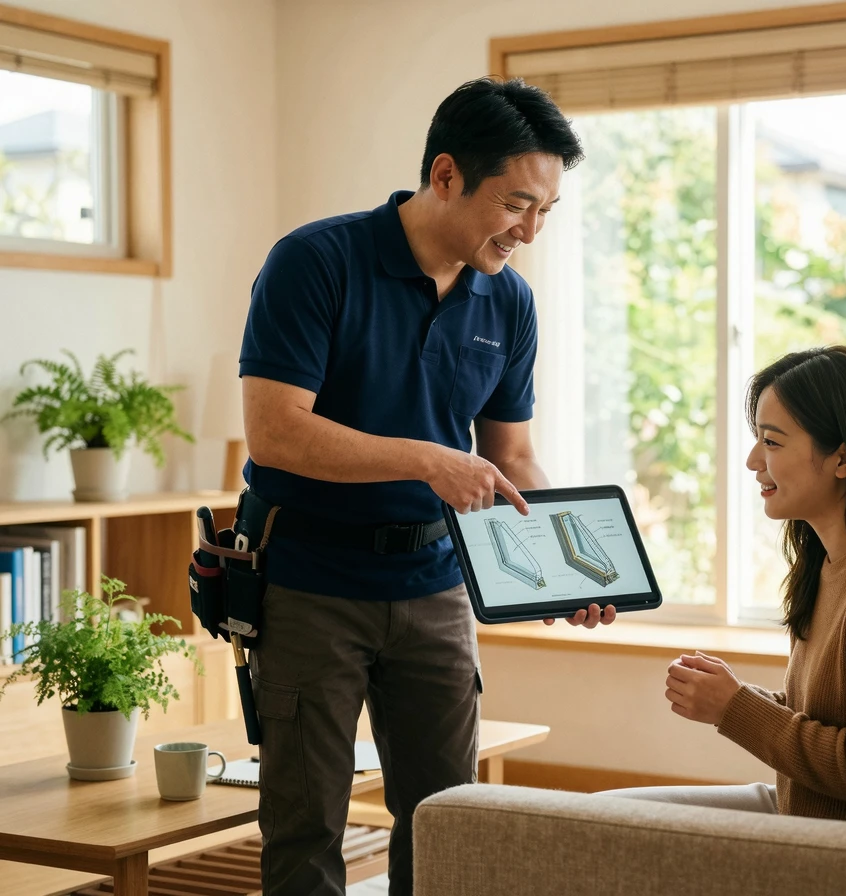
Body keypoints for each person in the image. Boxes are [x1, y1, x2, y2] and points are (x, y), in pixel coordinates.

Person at [237, 77, 614, 896]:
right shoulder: (316, 262)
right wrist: (426, 459)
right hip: (310, 585)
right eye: (517, 205)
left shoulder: (509, 301)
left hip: (437, 585)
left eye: (546, 211)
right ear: (446, 175)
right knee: (305, 828)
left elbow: (511, 456)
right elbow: (276, 431)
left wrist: (561, 567)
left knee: (447, 820)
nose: (530, 231)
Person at [605, 345, 846, 821]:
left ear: (842, 459)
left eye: (772, 442)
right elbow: (830, 717)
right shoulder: (831, 565)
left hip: (836, 843)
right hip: (798, 809)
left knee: (600, 830)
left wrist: (734, 708)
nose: (752, 460)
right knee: (599, 816)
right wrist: (735, 698)